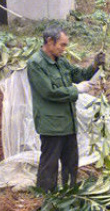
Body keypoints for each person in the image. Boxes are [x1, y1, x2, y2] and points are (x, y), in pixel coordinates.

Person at [27, 26, 105, 192]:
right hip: (51, 124)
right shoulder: (36, 64)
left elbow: (78, 74)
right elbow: (49, 92)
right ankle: (46, 196)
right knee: (50, 163)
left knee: (71, 161)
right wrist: (77, 90)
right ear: (49, 42)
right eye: (61, 45)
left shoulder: (60, 61)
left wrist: (95, 65)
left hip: (68, 121)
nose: (64, 49)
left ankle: (69, 192)